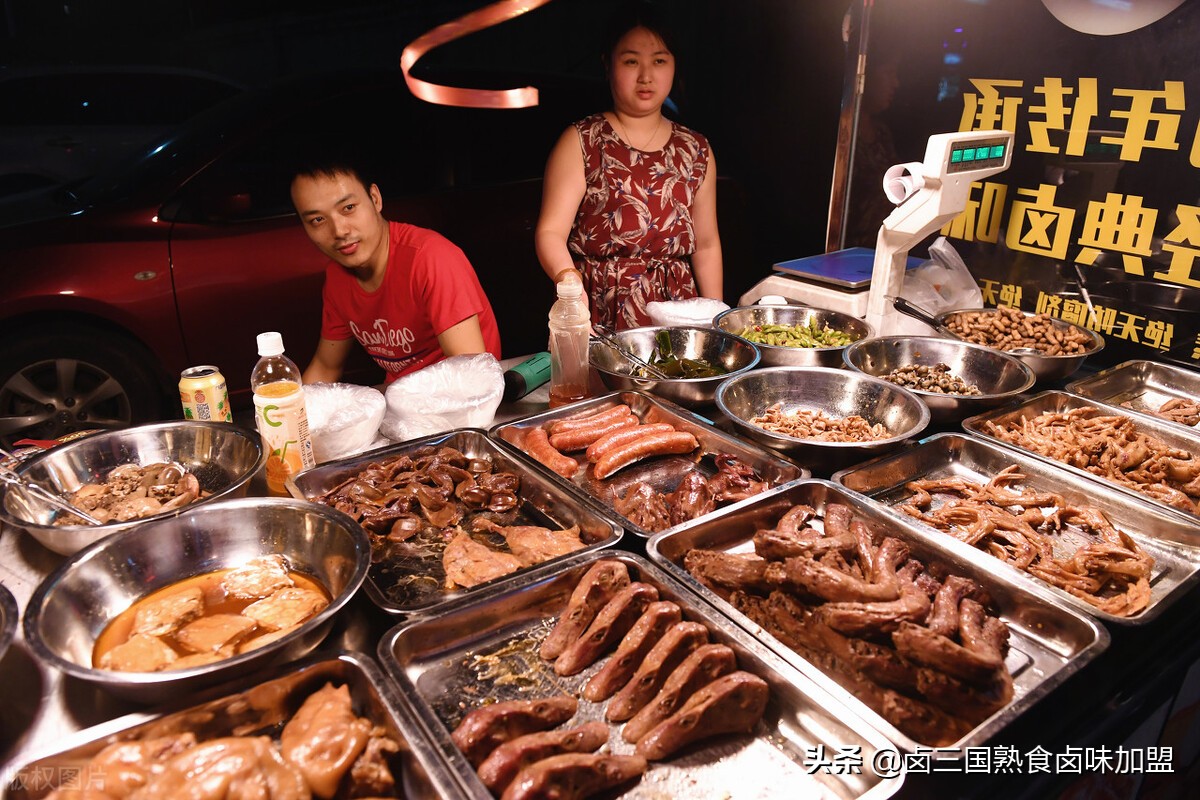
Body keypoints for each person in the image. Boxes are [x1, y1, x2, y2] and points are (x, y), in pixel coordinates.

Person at [534, 0, 723, 330]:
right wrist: (568, 284)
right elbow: (550, 232)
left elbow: (706, 245)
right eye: (631, 61)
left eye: (659, 61)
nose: (646, 76)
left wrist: (718, 322)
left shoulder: (696, 149)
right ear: (608, 64)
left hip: (677, 312)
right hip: (598, 307)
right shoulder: (582, 140)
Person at [290, 158, 502, 384]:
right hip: (401, 403)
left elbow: (471, 375)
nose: (339, 230)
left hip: (461, 404)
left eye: (349, 208)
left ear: (375, 198)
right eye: (318, 220)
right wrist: (292, 415)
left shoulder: (430, 258)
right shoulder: (337, 277)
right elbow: (325, 367)